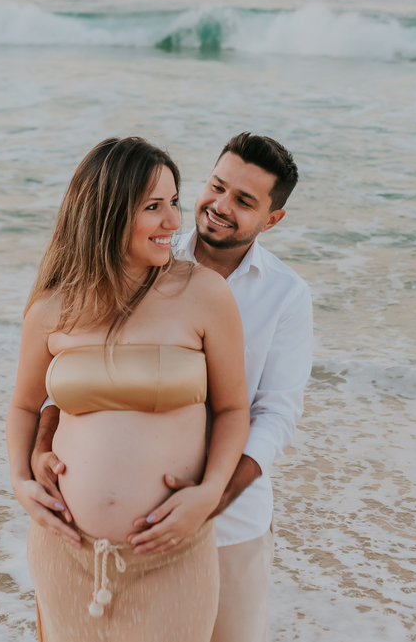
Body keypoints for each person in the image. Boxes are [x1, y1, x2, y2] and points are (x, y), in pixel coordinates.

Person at [32, 132, 312, 642]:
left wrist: (210, 500)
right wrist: (37, 451)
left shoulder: (286, 295)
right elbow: (79, 374)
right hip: (95, 542)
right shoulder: (145, 251)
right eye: (217, 186)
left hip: (229, 522)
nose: (220, 206)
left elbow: (273, 414)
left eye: (244, 201)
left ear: (272, 220)